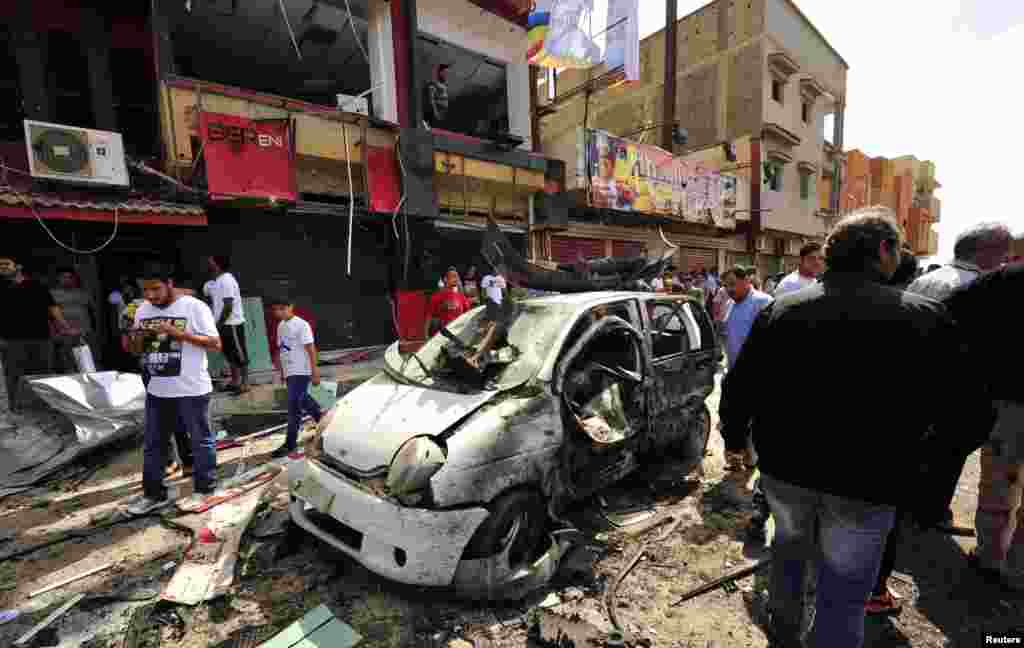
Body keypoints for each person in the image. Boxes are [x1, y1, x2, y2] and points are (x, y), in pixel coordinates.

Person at [718, 207, 985, 648]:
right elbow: (971, 415)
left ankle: (782, 637)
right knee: (842, 595)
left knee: (787, 557)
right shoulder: (925, 318)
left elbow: (739, 388)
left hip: (787, 475)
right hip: (869, 484)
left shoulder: (783, 311)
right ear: (883, 251)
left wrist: (735, 441)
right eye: (896, 248)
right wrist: (922, 466)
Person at [906, 222, 1011, 530]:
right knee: (946, 457)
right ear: (986, 252)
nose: (1005, 260)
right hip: (957, 391)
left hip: (918, 381)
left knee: (923, 451)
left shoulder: (926, 279)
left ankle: (914, 508)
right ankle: (930, 515)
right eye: (1003, 252)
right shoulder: (981, 287)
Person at [944, 261, 1023, 591]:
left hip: (1011, 400)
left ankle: (991, 556)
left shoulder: (1005, 278)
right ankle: (1018, 570)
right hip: (1010, 399)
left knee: (999, 482)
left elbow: (949, 312)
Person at [124, 263, 222, 515]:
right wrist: (133, 337)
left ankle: (205, 490)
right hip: (158, 390)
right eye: (146, 290)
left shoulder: (194, 307)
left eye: (156, 289)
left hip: (192, 389)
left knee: (200, 441)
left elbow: (215, 344)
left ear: (169, 284)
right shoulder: (143, 309)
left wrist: (176, 333)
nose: (150, 296)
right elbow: (137, 351)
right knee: (154, 444)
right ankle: (155, 494)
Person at [1, 255, 71, 412]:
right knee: (14, 374)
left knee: (43, 372)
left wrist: (65, 328)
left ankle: (46, 405)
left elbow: (53, 309)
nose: (2, 267)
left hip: (41, 338)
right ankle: (16, 407)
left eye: (6, 264)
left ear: (18, 267)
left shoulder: (37, 286)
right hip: (12, 340)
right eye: (0, 265)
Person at [269, 296, 323, 459]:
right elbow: (281, 349)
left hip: (301, 370)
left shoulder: (302, 325)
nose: (279, 313)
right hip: (290, 371)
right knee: (304, 400)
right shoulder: (281, 326)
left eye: (282, 309)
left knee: (294, 408)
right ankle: (324, 421)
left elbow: (310, 348)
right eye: (276, 310)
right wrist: (280, 370)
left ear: (290, 307)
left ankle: (290, 444)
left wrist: (315, 370)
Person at [906, 222, 1011, 300]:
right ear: (982, 250)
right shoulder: (976, 285)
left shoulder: (921, 281)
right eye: (1004, 248)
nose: (1008, 256)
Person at [207, 255, 249, 395]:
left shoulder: (227, 280)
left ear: (217, 265)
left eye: (211, 261)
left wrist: (219, 323)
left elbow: (228, 305)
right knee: (229, 354)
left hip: (232, 323)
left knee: (239, 354)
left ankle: (244, 383)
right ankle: (234, 381)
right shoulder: (218, 281)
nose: (209, 264)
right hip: (224, 324)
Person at [721, 266, 772, 371]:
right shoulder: (730, 303)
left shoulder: (763, 302)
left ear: (746, 281)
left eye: (732, 284)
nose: (729, 289)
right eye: (725, 286)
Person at [51, 267, 97, 372]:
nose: (67, 279)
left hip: (83, 331)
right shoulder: (53, 293)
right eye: (64, 277)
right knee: (67, 361)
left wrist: (90, 329)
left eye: (69, 277)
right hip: (63, 332)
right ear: (58, 279)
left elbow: (92, 311)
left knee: (86, 361)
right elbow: (51, 314)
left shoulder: (83, 293)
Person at [427, 268, 471, 339]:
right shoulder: (437, 296)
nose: (456, 279)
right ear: (445, 279)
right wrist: (425, 335)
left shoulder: (461, 297)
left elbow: (468, 316)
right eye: (453, 276)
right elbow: (429, 317)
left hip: (458, 334)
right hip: (442, 337)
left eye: (457, 276)